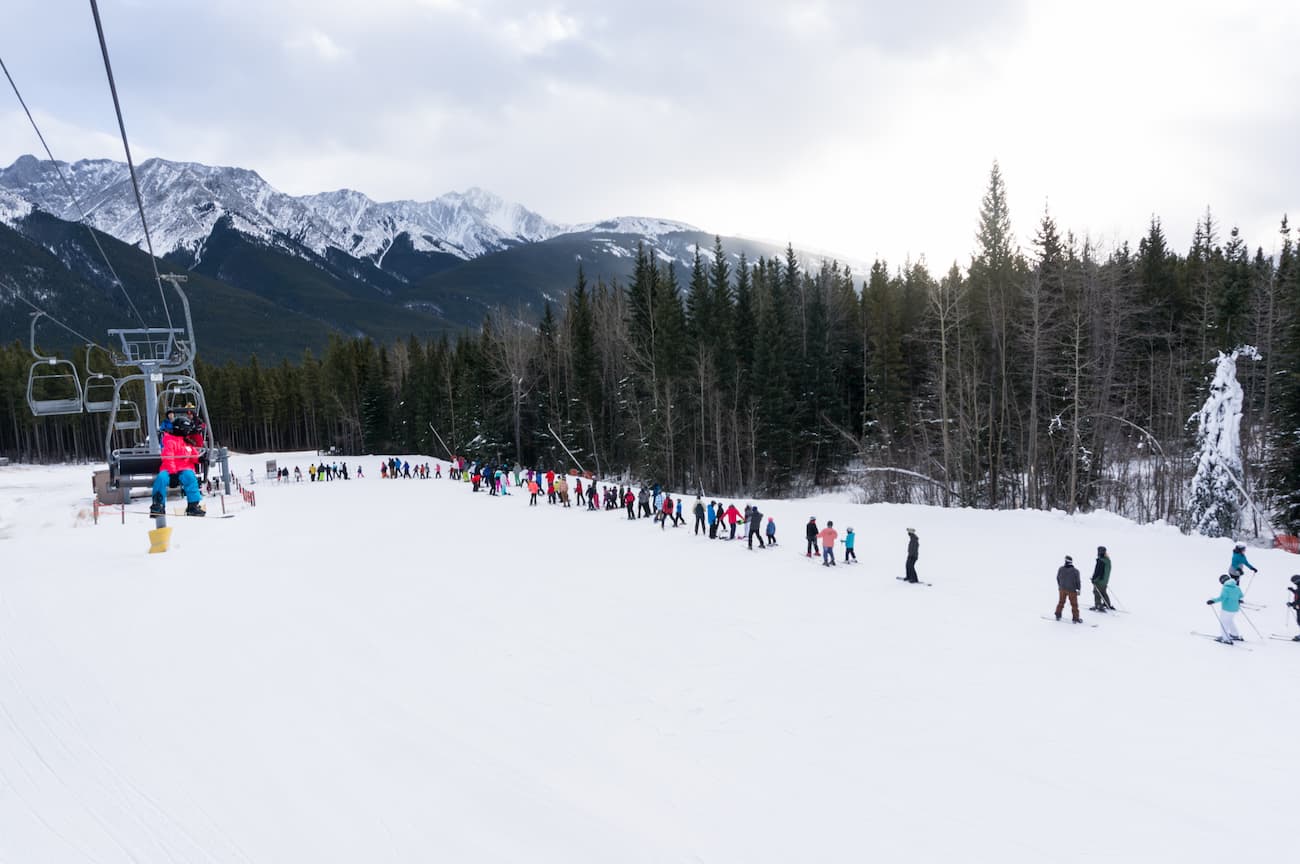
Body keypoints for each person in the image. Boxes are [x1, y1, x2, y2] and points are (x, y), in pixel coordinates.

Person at [150, 415, 205, 517]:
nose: (187, 432)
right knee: (161, 479)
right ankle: (158, 504)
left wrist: (199, 459)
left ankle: (193, 505)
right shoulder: (170, 441)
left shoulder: (187, 442)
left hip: (184, 469)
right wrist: (172, 473)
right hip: (169, 469)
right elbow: (168, 457)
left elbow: (192, 455)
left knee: (190, 477)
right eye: (186, 430)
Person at [1207, 573, 1244, 644]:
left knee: (1224, 623)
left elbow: (1222, 598)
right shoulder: (1236, 587)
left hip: (1227, 609)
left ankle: (1225, 638)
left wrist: (1212, 601)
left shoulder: (1225, 588)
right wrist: (1238, 600)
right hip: (1235, 609)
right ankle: (1234, 635)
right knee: (1230, 621)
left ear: (1222, 581)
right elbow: (1241, 595)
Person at [1054, 555, 1082, 622]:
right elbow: (1078, 581)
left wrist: (1060, 586)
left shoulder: (1060, 569)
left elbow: (1058, 578)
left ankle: (1058, 614)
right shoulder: (1075, 571)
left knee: (1061, 602)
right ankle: (1075, 618)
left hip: (1062, 589)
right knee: (1074, 604)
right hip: (1072, 590)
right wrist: (1078, 589)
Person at [1090, 546, 1114, 612]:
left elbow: (1098, 572)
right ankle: (1107, 604)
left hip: (1099, 581)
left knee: (1096, 592)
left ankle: (1098, 605)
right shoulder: (1107, 560)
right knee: (1103, 592)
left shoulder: (1101, 561)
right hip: (1105, 580)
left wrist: (1094, 579)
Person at [1286, 575, 1300, 642]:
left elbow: (1298, 600)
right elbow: (1297, 594)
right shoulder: (1299, 587)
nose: (1294, 583)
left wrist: (1292, 604)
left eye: (1293, 582)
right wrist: (1292, 590)